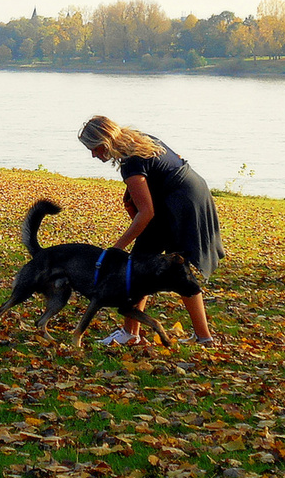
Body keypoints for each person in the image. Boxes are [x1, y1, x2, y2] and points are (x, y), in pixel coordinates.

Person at [77, 115, 224, 347]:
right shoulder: (140, 141)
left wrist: (115, 249)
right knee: (147, 263)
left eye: (93, 149)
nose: (93, 155)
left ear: (104, 143)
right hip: (188, 194)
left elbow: (145, 213)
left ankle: (135, 334)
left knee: (159, 267)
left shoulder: (131, 162)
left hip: (181, 204)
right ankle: (141, 333)